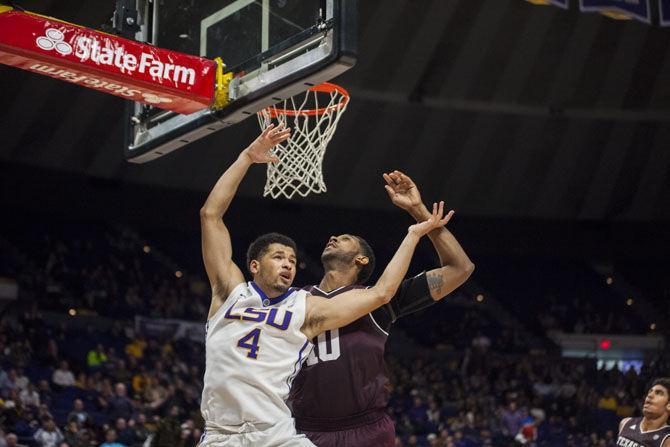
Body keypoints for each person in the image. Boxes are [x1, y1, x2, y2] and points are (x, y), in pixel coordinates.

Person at [198, 124, 449, 446]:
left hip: (275, 433)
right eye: (278, 256)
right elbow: (210, 215)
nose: (288, 263)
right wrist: (247, 157)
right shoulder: (228, 292)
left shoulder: (305, 306)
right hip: (222, 435)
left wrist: (413, 235)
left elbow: (382, 292)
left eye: (291, 258)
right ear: (254, 266)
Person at [289, 170, 474, 447]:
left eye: (346, 237)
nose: (334, 236)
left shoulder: (378, 301)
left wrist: (419, 211)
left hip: (365, 430)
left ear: (361, 259)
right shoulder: (294, 299)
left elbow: (461, 268)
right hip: (303, 430)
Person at [617, 378, 670, 446]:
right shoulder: (625, 423)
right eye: (650, 391)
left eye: (658, 393)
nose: (650, 395)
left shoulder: (667, 441)